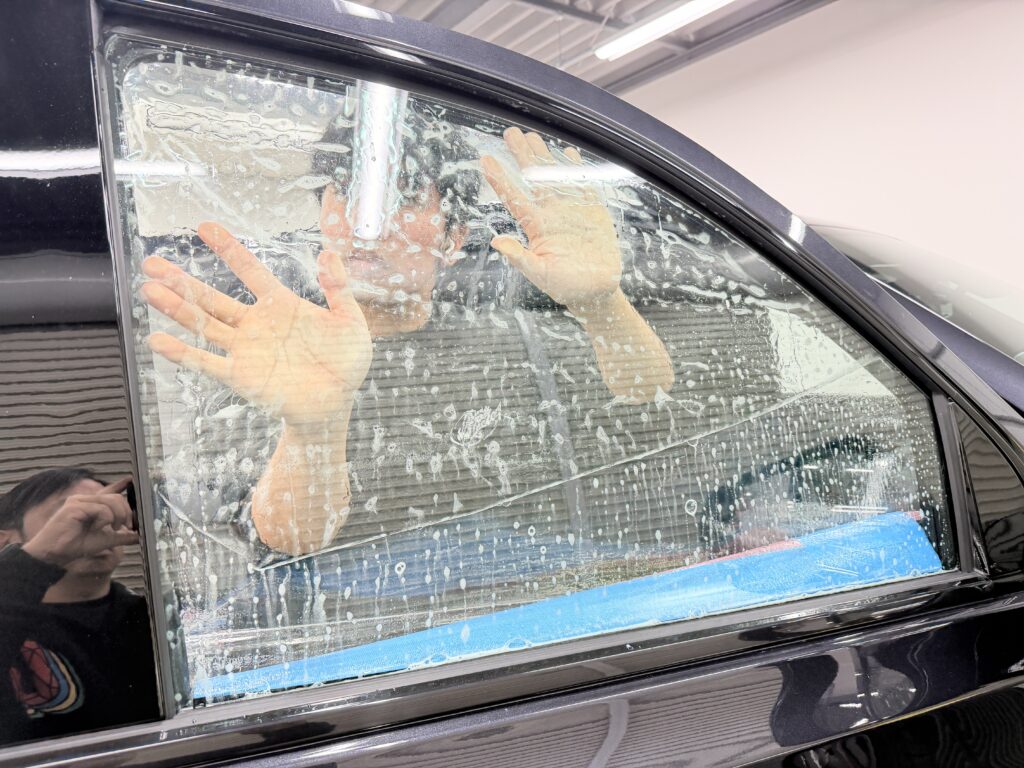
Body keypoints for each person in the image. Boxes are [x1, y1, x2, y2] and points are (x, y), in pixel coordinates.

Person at [140, 121, 676, 557]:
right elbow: (287, 539)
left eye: (403, 197)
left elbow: (646, 398)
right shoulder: (267, 357)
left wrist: (602, 302)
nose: (366, 223)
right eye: (345, 192)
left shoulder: (511, 341)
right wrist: (315, 430)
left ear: (454, 238)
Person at [0, 468, 159, 745]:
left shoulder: (156, 619)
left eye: (107, 509)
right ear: (5, 540)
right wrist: (42, 556)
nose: (97, 523)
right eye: (68, 512)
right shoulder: (11, 625)